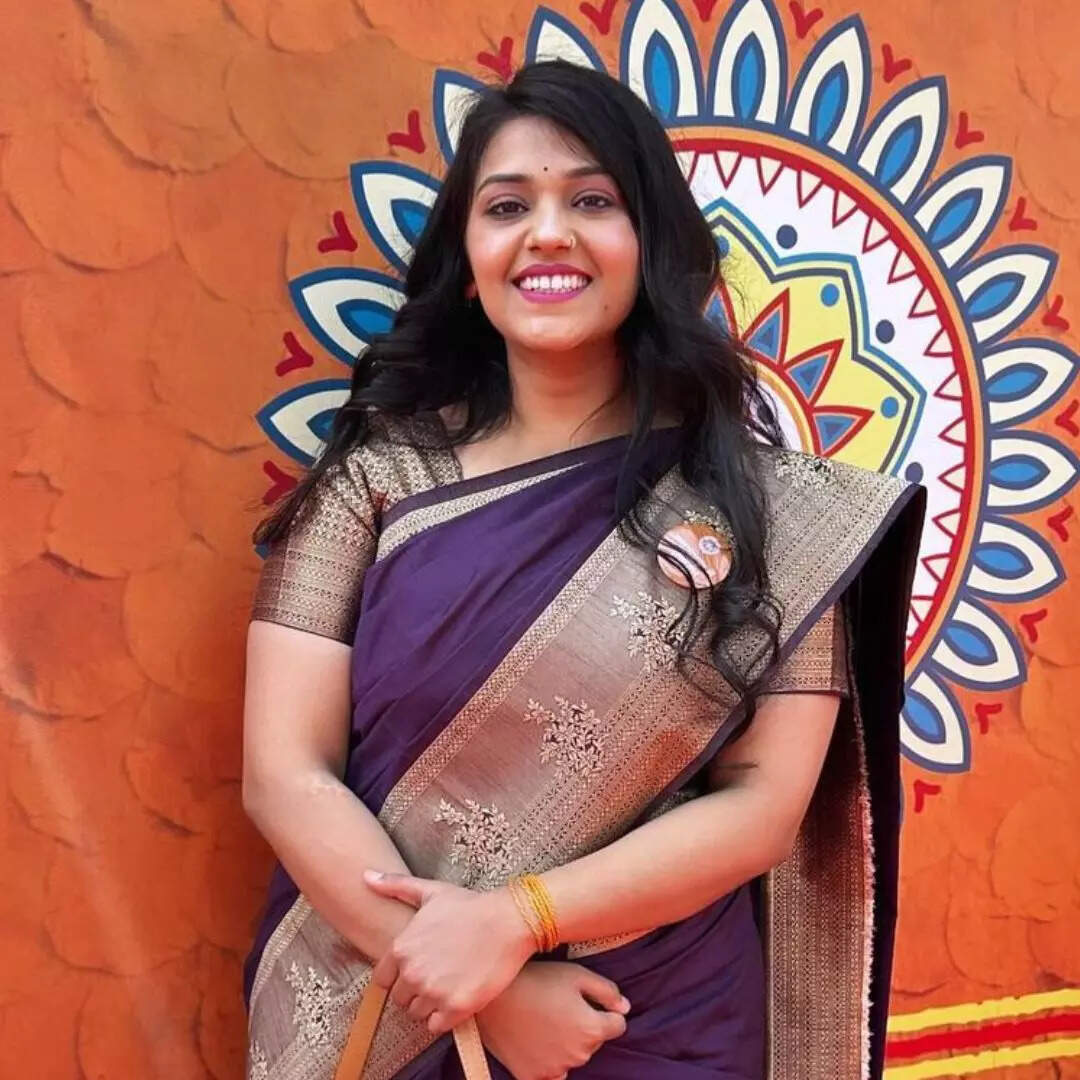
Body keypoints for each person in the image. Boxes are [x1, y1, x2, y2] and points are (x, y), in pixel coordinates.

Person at [241, 59, 926, 1080]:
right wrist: (483, 987)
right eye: (507, 206)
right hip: (387, 1004)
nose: (548, 233)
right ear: (468, 259)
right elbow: (283, 773)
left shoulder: (769, 509)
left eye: (593, 201)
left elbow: (762, 805)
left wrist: (521, 919)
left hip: (654, 1021)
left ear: (652, 243)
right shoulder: (377, 483)